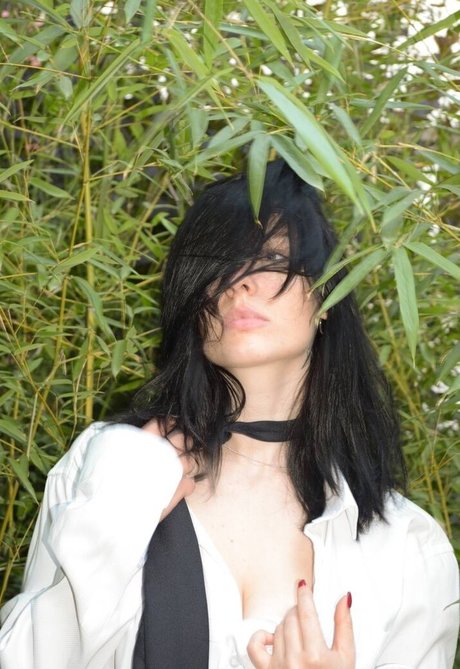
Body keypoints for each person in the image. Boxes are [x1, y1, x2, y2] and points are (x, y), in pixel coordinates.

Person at [0, 160, 458, 669]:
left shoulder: (405, 548)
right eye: (219, 264)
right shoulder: (110, 466)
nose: (239, 282)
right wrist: (120, 509)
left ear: (326, 295)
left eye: (272, 259)